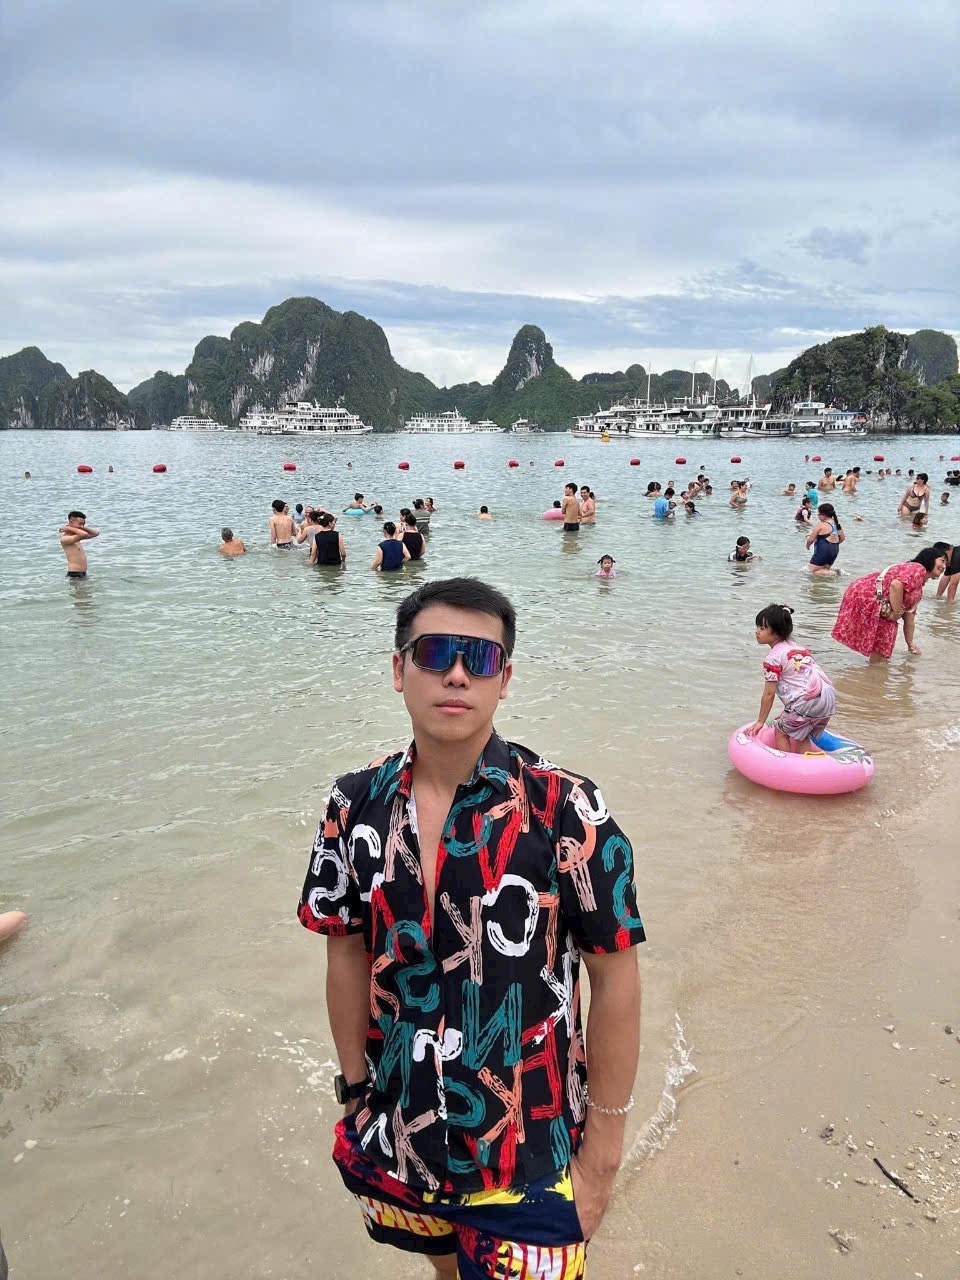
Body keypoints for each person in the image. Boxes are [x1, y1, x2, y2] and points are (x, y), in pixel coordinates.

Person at [297, 577, 644, 1279]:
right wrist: (355, 1090)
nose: (457, 674)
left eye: (479, 659)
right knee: (445, 1270)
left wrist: (604, 1154)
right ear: (399, 669)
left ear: (504, 680)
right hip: (397, 1136)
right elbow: (346, 953)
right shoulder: (354, 803)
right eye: (435, 653)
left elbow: (615, 977)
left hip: (532, 1153)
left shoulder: (567, 808)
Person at [746, 604, 837, 752]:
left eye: (762, 628)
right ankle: (806, 764)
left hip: (807, 701)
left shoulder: (773, 658)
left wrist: (760, 722)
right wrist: (787, 712)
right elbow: (799, 682)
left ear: (777, 633)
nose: (757, 631)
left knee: (780, 732)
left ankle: (784, 763)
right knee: (801, 734)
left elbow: (769, 694)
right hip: (827, 697)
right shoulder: (799, 649)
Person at [832, 547, 946, 658]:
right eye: (942, 561)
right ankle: (877, 667)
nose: (944, 566)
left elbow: (909, 617)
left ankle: (875, 667)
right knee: (887, 633)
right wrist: (896, 612)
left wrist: (910, 643)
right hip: (868, 594)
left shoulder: (918, 587)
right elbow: (896, 585)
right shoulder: (918, 568)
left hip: (865, 593)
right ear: (930, 558)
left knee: (884, 639)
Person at [806, 502, 845, 573]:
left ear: (823, 515)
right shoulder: (837, 524)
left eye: (818, 514)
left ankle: (835, 573)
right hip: (835, 550)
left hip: (823, 550)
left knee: (812, 571)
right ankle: (834, 572)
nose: (818, 516)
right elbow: (842, 538)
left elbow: (811, 539)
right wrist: (832, 545)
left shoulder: (821, 525)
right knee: (824, 569)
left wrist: (807, 545)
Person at [59, 510, 99, 578]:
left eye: (83, 524)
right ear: (71, 522)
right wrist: (68, 527)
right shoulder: (65, 538)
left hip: (82, 573)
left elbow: (96, 533)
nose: (82, 526)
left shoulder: (76, 537)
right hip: (74, 574)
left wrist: (81, 527)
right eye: (80, 524)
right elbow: (84, 534)